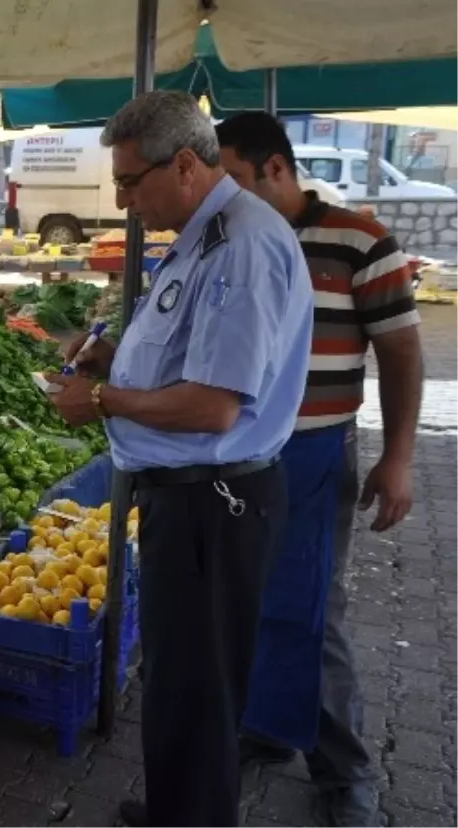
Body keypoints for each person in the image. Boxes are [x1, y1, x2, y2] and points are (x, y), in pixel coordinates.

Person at [46, 91, 314, 828]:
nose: (121, 199)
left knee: (199, 689)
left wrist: (102, 402)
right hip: (189, 500)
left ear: (187, 164)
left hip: (213, 505)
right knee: (176, 680)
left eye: (131, 182)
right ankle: (175, 810)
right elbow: (185, 354)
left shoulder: (240, 246)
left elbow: (213, 405)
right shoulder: (200, 235)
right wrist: (111, 360)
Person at [216, 112, 423, 828]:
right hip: (238, 455)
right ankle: (268, 729)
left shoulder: (357, 239)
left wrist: (398, 459)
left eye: (236, 179)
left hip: (314, 451)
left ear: (276, 169)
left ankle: (344, 772)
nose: (227, 195)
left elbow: (400, 353)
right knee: (252, 602)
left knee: (312, 612)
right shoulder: (228, 237)